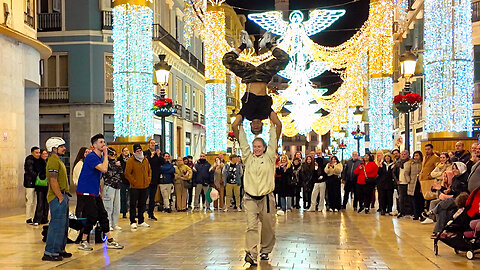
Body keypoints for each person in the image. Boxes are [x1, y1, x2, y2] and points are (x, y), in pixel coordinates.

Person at [233, 106, 282, 266]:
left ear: (265, 148)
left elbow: (277, 130)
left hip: (267, 199)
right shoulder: (248, 157)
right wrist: (241, 116)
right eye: (255, 147)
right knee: (251, 227)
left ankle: (265, 251)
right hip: (250, 199)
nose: (256, 149)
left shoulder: (269, 157)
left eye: (259, 147)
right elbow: (238, 133)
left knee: (268, 228)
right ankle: (251, 253)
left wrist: (269, 113)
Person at [222, 30, 289, 135]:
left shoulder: (246, 114)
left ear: (251, 125)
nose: (256, 126)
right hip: (263, 76)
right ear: (262, 125)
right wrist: (274, 143)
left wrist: (240, 140)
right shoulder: (265, 113)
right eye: (258, 128)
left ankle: (244, 45)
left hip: (248, 76)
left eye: (254, 128)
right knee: (284, 59)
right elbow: (279, 124)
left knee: (227, 60)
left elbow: (234, 125)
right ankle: (268, 44)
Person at [75, 134, 123, 251]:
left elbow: (102, 173)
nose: (103, 144)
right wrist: (106, 155)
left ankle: (110, 240)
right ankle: (83, 240)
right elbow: (104, 169)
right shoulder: (91, 157)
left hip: (94, 191)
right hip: (85, 191)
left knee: (103, 215)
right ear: (94, 145)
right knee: (92, 216)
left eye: (104, 142)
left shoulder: (100, 157)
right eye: (101, 142)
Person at [42, 137, 71, 261]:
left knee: (63, 225)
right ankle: (50, 252)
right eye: (61, 146)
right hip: (57, 197)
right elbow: (53, 180)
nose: (64, 148)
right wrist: (59, 197)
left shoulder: (59, 160)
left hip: (63, 195)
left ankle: (59, 249)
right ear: (54, 148)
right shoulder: (53, 161)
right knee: (56, 224)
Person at [432, 162, 469, 236]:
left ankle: (432, 212)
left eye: (456, 169)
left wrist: (452, 191)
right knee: (443, 209)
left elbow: (464, 191)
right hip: (455, 197)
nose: (454, 170)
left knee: (445, 202)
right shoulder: (454, 178)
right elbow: (451, 191)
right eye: (453, 169)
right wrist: (442, 189)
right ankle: (439, 231)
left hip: (462, 199)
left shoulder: (465, 178)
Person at [125, 144, 151, 229]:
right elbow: (127, 173)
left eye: (140, 150)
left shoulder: (145, 160)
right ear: (134, 152)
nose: (139, 152)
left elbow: (149, 171)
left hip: (145, 186)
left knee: (142, 204)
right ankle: (132, 221)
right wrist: (134, 182)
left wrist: (148, 180)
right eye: (137, 151)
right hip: (135, 187)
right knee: (133, 204)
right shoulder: (131, 160)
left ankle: (141, 220)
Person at [103, 147, 123, 231]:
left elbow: (121, 173)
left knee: (117, 206)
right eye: (112, 155)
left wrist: (118, 166)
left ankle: (115, 223)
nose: (113, 156)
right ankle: (109, 224)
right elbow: (108, 173)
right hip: (109, 185)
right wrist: (116, 166)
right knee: (108, 206)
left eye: (115, 155)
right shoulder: (105, 163)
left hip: (117, 186)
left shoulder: (116, 163)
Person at [144, 139, 161, 220]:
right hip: (146, 178)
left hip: (154, 178)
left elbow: (162, 163)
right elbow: (145, 163)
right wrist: (151, 156)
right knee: (144, 197)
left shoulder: (157, 154)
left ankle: (151, 213)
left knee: (152, 198)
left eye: (154, 143)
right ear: (148, 144)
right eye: (151, 143)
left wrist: (158, 155)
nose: (153, 145)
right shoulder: (145, 153)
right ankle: (141, 213)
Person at [24, 146, 42, 224]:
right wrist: (39, 176)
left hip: (37, 184)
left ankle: (34, 217)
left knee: (36, 201)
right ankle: (28, 218)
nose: (38, 154)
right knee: (30, 201)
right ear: (32, 153)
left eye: (39, 153)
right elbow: (30, 171)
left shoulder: (39, 160)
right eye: (36, 153)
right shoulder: (29, 160)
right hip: (30, 183)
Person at [404, 151, 424, 220]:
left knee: (420, 199)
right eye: (415, 155)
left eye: (417, 155)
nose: (416, 157)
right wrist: (408, 180)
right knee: (414, 199)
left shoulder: (422, 163)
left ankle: (421, 213)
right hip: (413, 183)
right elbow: (406, 173)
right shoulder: (411, 164)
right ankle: (415, 214)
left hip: (420, 183)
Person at [394, 150, 412, 218]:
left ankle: (409, 212)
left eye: (405, 154)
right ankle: (402, 212)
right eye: (402, 154)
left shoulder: (410, 162)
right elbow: (394, 172)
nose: (403, 155)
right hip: (401, 183)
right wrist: (397, 180)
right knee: (401, 198)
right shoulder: (398, 163)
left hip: (408, 182)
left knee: (409, 198)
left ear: (407, 155)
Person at [33, 149, 48, 226]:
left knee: (46, 203)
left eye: (46, 154)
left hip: (47, 186)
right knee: (40, 202)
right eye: (43, 154)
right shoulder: (39, 162)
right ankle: (37, 219)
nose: (45, 155)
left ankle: (44, 218)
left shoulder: (48, 161)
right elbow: (39, 171)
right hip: (40, 185)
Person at [117, 147, 131, 219]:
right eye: (124, 151)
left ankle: (132, 211)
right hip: (122, 181)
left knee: (131, 197)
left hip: (131, 180)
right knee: (123, 197)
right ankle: (124, 212)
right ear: (122, 152)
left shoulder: (132, 158)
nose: (126, 152)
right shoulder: (119, 159)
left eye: (127, 150)